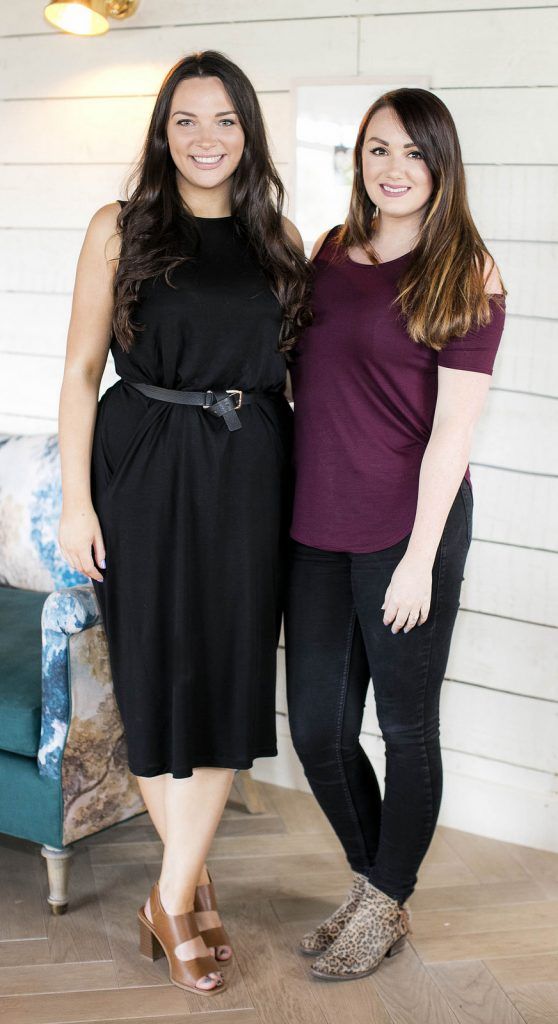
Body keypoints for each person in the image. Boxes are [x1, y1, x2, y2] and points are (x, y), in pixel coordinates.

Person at [57, 50, 308, 996]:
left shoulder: (275, 235)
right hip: (142, 465)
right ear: (163, 133)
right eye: (187, 121)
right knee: (159, 675)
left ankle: (170, 891)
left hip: (249, 470)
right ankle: (185, 891)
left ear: (249, 131)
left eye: (225, 121)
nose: (207, 139)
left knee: (232, 672)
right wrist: (77, 500)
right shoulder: (119, 228)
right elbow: (82, 373)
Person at [285, 87, 505, 981]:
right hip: (313, 529)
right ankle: (376, 882)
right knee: (318, 733)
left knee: (406, 733)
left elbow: (454, 432)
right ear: (358, 159)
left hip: (408, 535)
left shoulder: (467, 273)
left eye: (413, 152)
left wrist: (419, 558)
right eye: (377, 148)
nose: (393, 167)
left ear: (441, 165)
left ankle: (385, 898)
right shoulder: (329, 251)